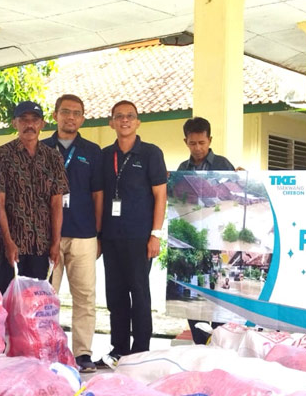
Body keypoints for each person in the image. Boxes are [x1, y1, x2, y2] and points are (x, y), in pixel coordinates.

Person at [98, 100, 168, 365]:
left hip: (140, 237)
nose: (124, 120)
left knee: (138, 292)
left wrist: (155, 234)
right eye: (119, 116)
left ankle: (140, 350)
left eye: (130, 116)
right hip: (111, 236)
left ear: (138, 122)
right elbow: (100, 196)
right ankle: (119, 348)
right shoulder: (105, 156)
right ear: (112, 122)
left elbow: (160, 195)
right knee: (115, 294)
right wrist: (98, 235)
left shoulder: (151, 154)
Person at [41, 94, 103, 373]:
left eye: (76, 113)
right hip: (47, 236)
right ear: (55, 115)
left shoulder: (93, 151)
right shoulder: (41, 149)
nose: (70, 117)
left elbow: (98, 195)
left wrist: (98, 233)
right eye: (65, 112)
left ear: (82, 118)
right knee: (45, 297)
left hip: (83, 234)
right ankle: (47, 348)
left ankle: (82, 353)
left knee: (85, 296)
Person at [0, 101, 68, 293]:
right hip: (12, 247)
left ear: (42, 124)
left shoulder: (53, 157)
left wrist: (56, 244)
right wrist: (7, 242)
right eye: (23, 120)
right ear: (15, 123)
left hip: (43, 246)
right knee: (8, 302)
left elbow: (57, 204)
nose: (29, 125)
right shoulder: (1, 156)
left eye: (34, 120)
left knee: (37, 306)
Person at [176, 117, 235, 344]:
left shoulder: (223, 165)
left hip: (219, 238)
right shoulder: (182, 169)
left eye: (202, 142)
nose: (198, 148)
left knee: (220, 291)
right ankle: (200, 343)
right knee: (194, 291)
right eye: (192, 143)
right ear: (186, 142)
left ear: (210, 139)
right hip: (192, 239)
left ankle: (219, 341)